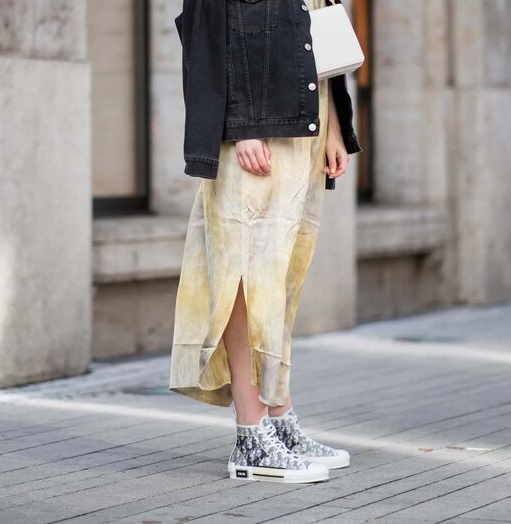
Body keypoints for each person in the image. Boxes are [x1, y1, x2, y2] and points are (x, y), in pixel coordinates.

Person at [168, 0, 362, 484]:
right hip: (252, 130)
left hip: (305, 122)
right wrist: (240, 127)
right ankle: (250, 432)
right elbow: (207, 32)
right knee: (241, 272)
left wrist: (334, 124)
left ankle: (278, 414)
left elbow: (317, 21)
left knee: (281, 277)